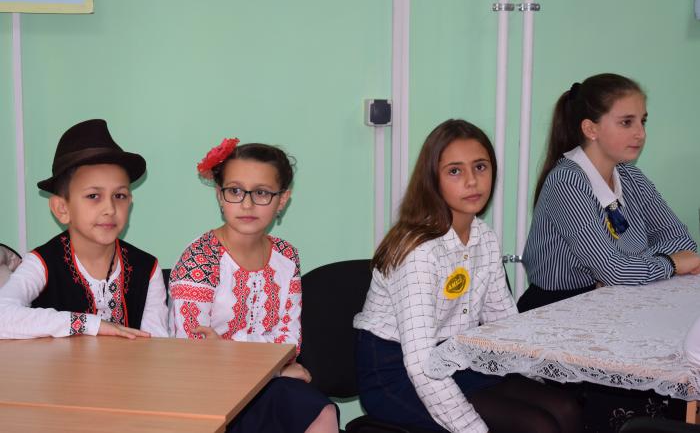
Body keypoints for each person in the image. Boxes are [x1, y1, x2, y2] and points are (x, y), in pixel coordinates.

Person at [353, 119, 582, 433]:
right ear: (432, 179)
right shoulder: (418, 252)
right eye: (455, 171)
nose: (472, 181)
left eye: (480, 167)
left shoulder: (484, 237)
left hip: (456, 356)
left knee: (566, 409)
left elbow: (504, 323)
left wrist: (537, 375)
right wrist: (472, 428)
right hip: (396, 372)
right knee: (536, 425)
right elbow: (421, 364)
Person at [169, 138, 338, 433]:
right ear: (220, 196)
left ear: (282, 199)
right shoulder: (200, 258)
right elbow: (194, 353)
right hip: (205, 393)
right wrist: (275, 370)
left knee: (319, 409)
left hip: (264, 385)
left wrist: (224, 347)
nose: (247, 204)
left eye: (261, 193)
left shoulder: (286, 256)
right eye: (235, 191)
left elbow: (289, 341)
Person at [519, 73, 700, 312]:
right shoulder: (566, 182)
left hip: (615, 298)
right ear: (590, 129)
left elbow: (682, 242)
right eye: (626, 122)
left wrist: (628, 268)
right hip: (557, 309)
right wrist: (671, 264)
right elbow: (614, 270)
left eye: (642, 121)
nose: (641, 133)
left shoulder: (631, 176)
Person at [0, 119, 168, 339]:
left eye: (119, 196)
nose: (110, 209)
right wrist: (89, 324)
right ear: (62, 208)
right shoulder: (42, 263)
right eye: (93, 196)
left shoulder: (147, 269)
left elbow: (156, 343)